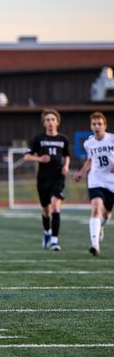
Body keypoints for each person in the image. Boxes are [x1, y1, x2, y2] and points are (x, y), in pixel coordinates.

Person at [23, 109, 70, 251]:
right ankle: (47, 232)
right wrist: (39, 158)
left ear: (57, 122)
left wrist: (66, 166)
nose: (50, 122)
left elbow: (67, 155)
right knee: (46, 211)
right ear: (44, 123)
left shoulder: (63, 139)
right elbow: (26, 156)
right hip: (43, 179)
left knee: (55, 206)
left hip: (58, 177)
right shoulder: (39, 139)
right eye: (47, 120)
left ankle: (55, 241)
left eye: (53, 119)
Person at [73, 111, 114, 256]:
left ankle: (100, 226)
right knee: (96, 208)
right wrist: (81, 173)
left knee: (107, 213)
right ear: (91, 126)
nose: (97, 126)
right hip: (96, 179)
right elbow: (90, 160)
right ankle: (95, 244)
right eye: (94, 124)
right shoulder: (88, 143)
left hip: (112, 182)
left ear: (105, 126)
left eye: (100, 124)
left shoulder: (112, 139)